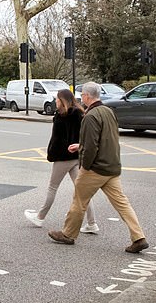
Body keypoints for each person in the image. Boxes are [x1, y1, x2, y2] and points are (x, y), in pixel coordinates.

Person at [48, 82, 149, 253]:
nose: (81, 98)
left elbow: (91, 146)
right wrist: (80, 146)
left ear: (87, 96)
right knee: (122, 203)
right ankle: (138, 237)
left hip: (96, 168)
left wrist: (84, 167)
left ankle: (68, 234)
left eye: (83, 95)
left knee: (79, 201)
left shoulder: (90, 116)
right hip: (112, 166)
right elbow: (105, 139)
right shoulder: (108, 111)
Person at [24, 89, 99, 234]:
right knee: (82, 191)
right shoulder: (80, 114)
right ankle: (92, 223)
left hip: (62, 157)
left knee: (52, 188)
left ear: (62, 100)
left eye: (57, 99)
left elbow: (56, 139)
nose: (55, 101)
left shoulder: (60, 116)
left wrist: (51, 154)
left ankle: (40, 217)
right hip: (76, 156)